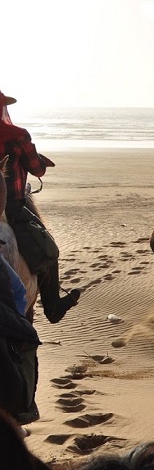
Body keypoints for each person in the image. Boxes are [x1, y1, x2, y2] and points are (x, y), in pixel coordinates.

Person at [0, 89, 81, 324]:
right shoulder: (17, 136)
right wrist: (37, 160)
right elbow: (37, 169)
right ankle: (53, 306)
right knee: (48, 249)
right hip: (10, 207)